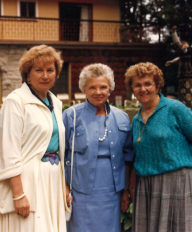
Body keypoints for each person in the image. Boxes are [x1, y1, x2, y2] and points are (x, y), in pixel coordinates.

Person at [0, 45, 70, 232]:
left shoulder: (55, 103)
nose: (45, 75)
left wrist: (63, 185)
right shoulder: (16, 101)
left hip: (51, 180)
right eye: (38, 70)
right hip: (26, 182)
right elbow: (8, 150)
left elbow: (57, 148)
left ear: (56, 74)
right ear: (27, 74)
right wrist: (18, 195)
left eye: (50, 70)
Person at [124, 62, 192, 232]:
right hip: (146, 186)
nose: (143, 89)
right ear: (132, 89)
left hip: (176, 183)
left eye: (148, 83)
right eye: (138, 85)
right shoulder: (136, 119)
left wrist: (181, 162)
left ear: (157, 85)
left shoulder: (175, 108)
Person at [63, 63, 133, 232]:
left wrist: (126, 192)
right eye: (92, 87)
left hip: (112, 192)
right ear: (84, 89)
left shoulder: (122, 117)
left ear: (110, 89)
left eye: (103, 87)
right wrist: (64, 188)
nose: (98, 92)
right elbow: (60, 154)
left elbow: (129, 157)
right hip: (80, 191)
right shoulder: (71, 115)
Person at [165, 26, 192, 110]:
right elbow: (177, 44)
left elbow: (177, 43)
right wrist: (171, 62)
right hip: (183, 72)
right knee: (183, 89)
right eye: (184, 45)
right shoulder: (183, 52)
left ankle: (188, 104)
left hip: (187, 72)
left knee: (188, 89)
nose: (185, 46)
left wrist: (174, 32)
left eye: (186, 44)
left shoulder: (188, 51)